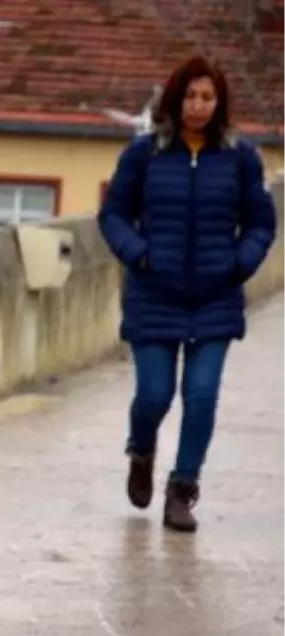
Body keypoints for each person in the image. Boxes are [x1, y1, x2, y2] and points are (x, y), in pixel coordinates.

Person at [97, 55, 277, 532]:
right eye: (190, 96)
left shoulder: (241, 157)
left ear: (219, 103)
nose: (198, 106)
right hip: (155, 293)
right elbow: (112, 214)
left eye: (207, 97)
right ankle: (141, 450)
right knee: (155, 395)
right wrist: (138, 253)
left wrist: (242, 261)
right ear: (174, 99)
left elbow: (262, 221)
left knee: (201, 395)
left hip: (216, 296)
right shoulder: (144, 154)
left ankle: (182, 489)